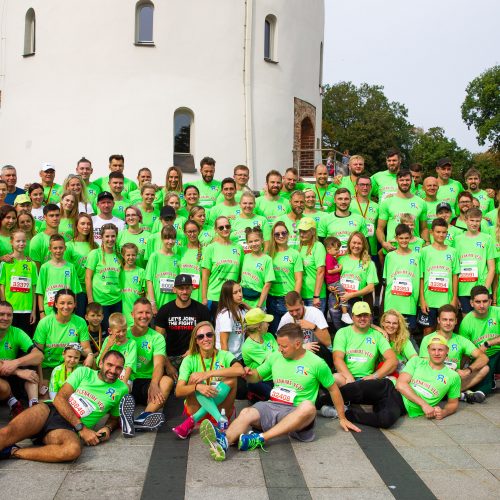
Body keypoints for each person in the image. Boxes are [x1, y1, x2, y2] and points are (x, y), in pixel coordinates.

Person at [199, 323, 360, 461]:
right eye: (279, 345)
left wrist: (342, 417)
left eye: (284, 346)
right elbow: (257, 376)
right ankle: (224, 441)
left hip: (298, 413)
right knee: (247, 411)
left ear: (298, 344)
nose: (280, 349)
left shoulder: (316, 363)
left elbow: (333, 389)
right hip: (273, 405)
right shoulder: (276, 356)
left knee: (308, 407)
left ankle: (259, 438)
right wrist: (248, 374)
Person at [0, 350, 128, 462]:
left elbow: (115, 417)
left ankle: (14, 452)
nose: (113, 371)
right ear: (101, 364)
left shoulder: (122, 389)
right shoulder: (84, 372)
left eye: (118, 368)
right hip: (50, 411)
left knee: (72, 450)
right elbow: (60, 398)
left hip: (67, 429)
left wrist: (108, 428)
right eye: (109, 365)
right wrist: (82, 429)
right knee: (5, 434)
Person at [331, 334, 461, 428]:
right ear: (428, 350)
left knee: (385, 421)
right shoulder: (417, 361)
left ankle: (346, 413)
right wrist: (424, 405)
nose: (437, 353)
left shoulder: (453, 376)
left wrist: (444, 412)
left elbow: (453, 404)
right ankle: (319, 403)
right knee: (356, 388)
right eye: (433, 349)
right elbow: (401, 385)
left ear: (447, 351)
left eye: (440, 350)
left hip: (401, 403)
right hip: (390, 387)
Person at [172, 321, 245, 440]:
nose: (205, 339)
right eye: (200, 336)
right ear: (196, 341)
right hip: (195, 406)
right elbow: (178, 391)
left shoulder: (225, 355)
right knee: (194, 379)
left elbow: (240, 370)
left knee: (232, 377)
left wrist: (208, 374)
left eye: (209, 335)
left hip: (222, 408)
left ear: (214, 337)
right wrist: (197, 387)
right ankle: (220, 421)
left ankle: (192, 422)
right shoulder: (189, 360)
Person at [119, 298, 173, 437]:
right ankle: (127, 418)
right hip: (126, 381)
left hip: (146, 383)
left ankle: (143, 418)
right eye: (140, 312)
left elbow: (159, 364)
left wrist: (154, 384)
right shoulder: (123, 334)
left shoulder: (156, 337)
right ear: (132, 314)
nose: (144, 316)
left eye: (147, 312)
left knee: (167, 381)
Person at [419, 305, 489, 403]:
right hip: (434, 379)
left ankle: (449, 394)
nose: (448, 323)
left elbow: (483, 358)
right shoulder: (428, 339)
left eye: (451, 320)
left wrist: (468, 371)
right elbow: (424, 365)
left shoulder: (461, 340)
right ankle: (457, 394)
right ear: (438, 320)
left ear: (456, 321)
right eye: (444, 320)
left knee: (485, 368)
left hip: (455, 379)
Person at [155, 274, 211, 381]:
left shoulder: (201, 310)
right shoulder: (165, 310)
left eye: (187, 288)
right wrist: (168, 366)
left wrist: (194, 350)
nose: (184, 292)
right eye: (181, 288)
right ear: (174, 289)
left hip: (194, 355)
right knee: (165, 384)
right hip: (170, 358)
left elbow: (208, 338)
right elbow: (158, 343)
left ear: (192, 289)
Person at [34, 289, 93, 384]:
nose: (66, 307)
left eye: (70, 303)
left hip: (71, 366)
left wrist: (90, 355)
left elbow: (86, 348)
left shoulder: (80, 322)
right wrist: (41, 380)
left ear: (75, 304)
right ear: (56, 304)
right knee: (47, 397)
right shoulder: (44, 323)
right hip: (48, 368)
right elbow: (37, 354)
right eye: (62, 303)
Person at [333, 302, 397, 386]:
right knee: (334, 378)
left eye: (365, 315)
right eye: (359, 315)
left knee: (393, 380)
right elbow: (337, 359)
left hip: (368, 380)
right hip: (346, 378)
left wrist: (374, 376)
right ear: (352, 317)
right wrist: (350, 379)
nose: (362, 318)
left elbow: (392, 360)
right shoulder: (342, 332)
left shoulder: (377, 335)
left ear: (370, 317)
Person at [0, 301, 43, 415]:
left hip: (9, 375)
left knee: (30, 362)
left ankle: (34, 405)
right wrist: (18, 371)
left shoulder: (17, 332)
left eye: (9, 315)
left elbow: (39, 355)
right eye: (2, 314)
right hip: (4, 380)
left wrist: (16, 362)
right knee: (3, 387)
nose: (5, 318)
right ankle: (13, 402)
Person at [419, 218, 460, 334]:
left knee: (445, 330)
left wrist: (454, 298)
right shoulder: (424, 251)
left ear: (447, 233)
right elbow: (421, 276)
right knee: (428, 331)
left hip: (446, 300)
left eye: (444, 232)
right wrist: (422, 299)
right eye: (438, 232)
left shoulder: (453, 252)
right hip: (429, 299)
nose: (441, 235)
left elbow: (455, 276)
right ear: (432, 232)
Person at [459, 286, 500, 398]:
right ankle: (484, 387)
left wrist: (488, 343)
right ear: (471, 303)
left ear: (490, 301)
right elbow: (464, 351)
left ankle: (480, 391)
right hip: (481, 358)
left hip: (498, 354)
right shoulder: (466, 322)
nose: (482, 305)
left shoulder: (497, 312)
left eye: (485, 301)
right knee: (484, 367)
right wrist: (461, 371)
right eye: (478, 302)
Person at [376, 169, 429, 254]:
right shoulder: (387, 202)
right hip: (393, 250)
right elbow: (380, 229)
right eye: (402, 180)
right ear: (397, 181)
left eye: (407, 180)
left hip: (414, 251)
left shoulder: (421, 202)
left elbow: (424, 228)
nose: (404, 182)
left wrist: (427, 243)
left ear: (411, 181)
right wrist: (383, 243)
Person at [455, 208, 495, 314]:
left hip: (482, 288)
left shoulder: (487, 239)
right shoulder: (457, 239)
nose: (474, 223)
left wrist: (485, 290)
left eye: (477, 221)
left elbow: (492, 268)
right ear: (466, 220)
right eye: (472, 220)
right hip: (464, 289)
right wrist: (455, 293)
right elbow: (455, 268)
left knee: (483, 321)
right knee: (466, 320)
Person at [277, 291, 333, 368]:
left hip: (316, 351)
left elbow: (328, 342)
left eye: (297, 310)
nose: (295, 314)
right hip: (297, 353)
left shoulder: (315, 313)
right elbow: (280, 346)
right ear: (286, 307)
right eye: (291, 311)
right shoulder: (285, 319)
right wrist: (302, 348)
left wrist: (314, 327)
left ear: (303, 304)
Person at [382, 223, 421, 331]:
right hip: (392, 302)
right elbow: (386, 280)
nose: (404, 241)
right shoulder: (389, 256)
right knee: (390, 332)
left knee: (408, 333)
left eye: (406, 238)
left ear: (410, 237)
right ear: (396, 238)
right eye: (401, 238)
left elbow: (420, 278)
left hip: (409, 303)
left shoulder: (417, 256)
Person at [266, 221, 303, 333]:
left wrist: (294, 300)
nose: (281, 236)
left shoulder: (295, 254)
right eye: (277, 234)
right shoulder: (269, 254)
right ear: (273, 236)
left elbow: (299, 279)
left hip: (288, 299)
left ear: (288, 234)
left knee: (291, 332)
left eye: (283, 233)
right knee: (275, 332)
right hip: (271, 298)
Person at [201, 216, 243, 316]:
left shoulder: (238, 248)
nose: (225, 229)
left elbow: (240, 275)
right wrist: (204, 298)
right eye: (221, 227)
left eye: (227, 226)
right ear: (216, 230)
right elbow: (205, 276)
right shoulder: (210, 248)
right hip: (214, 297)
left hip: (232, 298)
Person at [85, 223, 122, 332]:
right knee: (105, 332)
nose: (110, 239)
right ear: (101, 237)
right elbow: (88, 278)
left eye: (113, 236)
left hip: (117, 300)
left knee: (118, 331)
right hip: (101, 301)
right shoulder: (95, 254)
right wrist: (90, 300)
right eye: (107, 236)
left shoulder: (119, 255)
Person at [0, 230, 38, 335]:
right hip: (11, 311)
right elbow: (2, 287)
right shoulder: (5, 263)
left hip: (27, 311)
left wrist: (33, 311)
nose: (21, 244)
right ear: (11, 242)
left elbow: (34, 289)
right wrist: (5, 308)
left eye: (24, 241)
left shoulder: (32, 264)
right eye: (18, 241)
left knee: (25, 345)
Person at [36, 234, 81, 317]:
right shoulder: (45, 267)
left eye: (61, 248)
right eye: (55, 248)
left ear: (65, 248)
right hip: (49, 310)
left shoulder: (70, 267)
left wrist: (74, 309)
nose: (58, 250)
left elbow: (74, 292)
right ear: (50, 249)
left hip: (66, 310)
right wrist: (41, 312)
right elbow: (40, 292)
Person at [65, 213, 98, 317]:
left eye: (88, 224)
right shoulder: (69, 245)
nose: (86, 227)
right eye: (82, 223)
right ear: (76, 225)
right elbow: (66, 270)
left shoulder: (95, 245)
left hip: (94, 289)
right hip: (77, 290)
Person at [241, 308, 277, 402]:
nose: (269, 324)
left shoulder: (269, 336)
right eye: (266, 322)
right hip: (262, 381)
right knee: (278, 397)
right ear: (259, 327)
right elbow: (276, 358)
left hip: (277, 377)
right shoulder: (248, 346)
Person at [318, 189, 368, 255]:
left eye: (346, 199)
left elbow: (365, 244)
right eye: (340, 199)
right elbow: (321, 245)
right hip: (333, 262)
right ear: (335, 200)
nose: (343, 202)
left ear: (350, 200)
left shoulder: (360, 219)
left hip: (353, 261)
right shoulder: (325, 219)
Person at [97, 312, 137, 389]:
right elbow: (100, 363)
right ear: (110, 331)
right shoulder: (107, 340)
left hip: (123, 376)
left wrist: (123, 384)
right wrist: (108, 346)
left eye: (124, 330)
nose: (121, 334)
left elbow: (129, 366)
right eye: (118, 331)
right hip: (108, 374)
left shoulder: (131, 343)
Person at [145, 225, 180, 314]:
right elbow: (149, 281)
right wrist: (152, 303)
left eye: (173, 238)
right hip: (157, 304)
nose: (170, 241)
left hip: (174, 304)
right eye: (167, 238)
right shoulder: (154, 256)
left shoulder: (178, 258)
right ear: (161, 238)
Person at [240, 227, 275, 308]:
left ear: (262, 240)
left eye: (256, 240)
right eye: (250, 241)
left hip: (257, 301)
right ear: (247, 243)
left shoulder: (267, 259)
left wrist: (259, 306)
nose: (254, 244)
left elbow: (267, 284)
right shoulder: (245, 257)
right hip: (243, 300)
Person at [215, 281, 249, 363]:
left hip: (239, 355)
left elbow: (258, 315)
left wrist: (246, 305)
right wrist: (227, 364)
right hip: (230, 358)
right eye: (235, 293)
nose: (240, 295)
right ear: (228, 296)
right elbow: (224, 343)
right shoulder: (226, 315)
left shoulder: (241, 309)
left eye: (240, 291)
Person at [298, 217, 327, 310]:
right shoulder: (299, 247)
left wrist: (316, 296)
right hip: (301, 296)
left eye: (305, 231)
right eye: (301, 231)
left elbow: (321, 271)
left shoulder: (318, 246)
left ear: (313, 232)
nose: (302, 234)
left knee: (314, 324)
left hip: (314, 296)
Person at [380, 309, 417, 376]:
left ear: (399, 325)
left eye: (394, 323)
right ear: (383, 323)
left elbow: (414, 357)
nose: (391, 326)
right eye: (388, 322)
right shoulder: (378, 337)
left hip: (399, 371)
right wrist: (377, 328)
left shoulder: (403, 339)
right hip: (381, 370)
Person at [324, 236, 352, 324]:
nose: (338, 251)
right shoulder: (329, 258)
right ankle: (345, 313)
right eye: (336, 249)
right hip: (334, 282)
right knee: (343, 294)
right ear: (328, 249)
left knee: (338, 296)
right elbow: (329, 271)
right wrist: (339, 269)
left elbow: (339, 255)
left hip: (334, 282)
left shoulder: (332, 256)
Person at [349, 175, 379, 257]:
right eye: (362, 185)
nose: (365, 187)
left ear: (371, 187)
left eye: (367, 185)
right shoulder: (349, 205)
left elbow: (380, 229)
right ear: (356, 187)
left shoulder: (377, 206)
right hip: (353, 251)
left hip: (372, 251)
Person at [120, 243, 146, 326]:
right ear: (123, 255)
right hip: (122, 315)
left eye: (133, 255)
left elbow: (145, 293)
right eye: (128, 255)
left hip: (137, 315)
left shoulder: (141, 272)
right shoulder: (118, 271)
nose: (131, 258)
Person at [29, 203, 60, 270]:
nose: (55, 218)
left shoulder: (64, 239)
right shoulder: (37, 240)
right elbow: (36, 269)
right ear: (44, 217)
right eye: (51, 216)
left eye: (57, 215)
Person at [178, 220, 204, 302]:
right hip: (182, 296)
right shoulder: (180, 250)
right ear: (185, 233)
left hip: (198, 296)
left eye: (194, 231)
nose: (192, 234)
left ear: (199, 231)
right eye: (189, 232)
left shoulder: (205, 250)